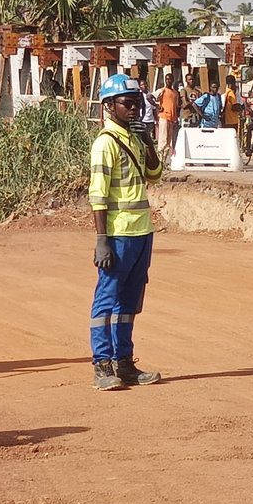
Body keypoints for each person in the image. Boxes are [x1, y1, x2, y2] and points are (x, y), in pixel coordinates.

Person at [87, 73, 164, 391]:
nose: (134, 109)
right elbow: (97, 195)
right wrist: (101, 239)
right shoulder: (105, 144)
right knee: (107, 300)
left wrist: (147, 141)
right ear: (109, 106)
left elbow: (155, 175)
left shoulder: (133, 138)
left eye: (138, 103)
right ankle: (102, 364)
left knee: (129, 302)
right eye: (127, 103)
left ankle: (124, 362)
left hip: (141, 233)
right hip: (117, 236)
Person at [157, 76, 181, 156]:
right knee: (162, 140)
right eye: (166, 79)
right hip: (164, 116)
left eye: (169, 79)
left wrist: (176, 118)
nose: (168, 81)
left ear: (172, 80)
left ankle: (164, 161)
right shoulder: (162, 90)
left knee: (168, 141)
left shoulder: (175, 93)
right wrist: (157, 106)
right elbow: (150, 97)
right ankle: (160, 159)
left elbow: (176, 106)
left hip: (172, 118)